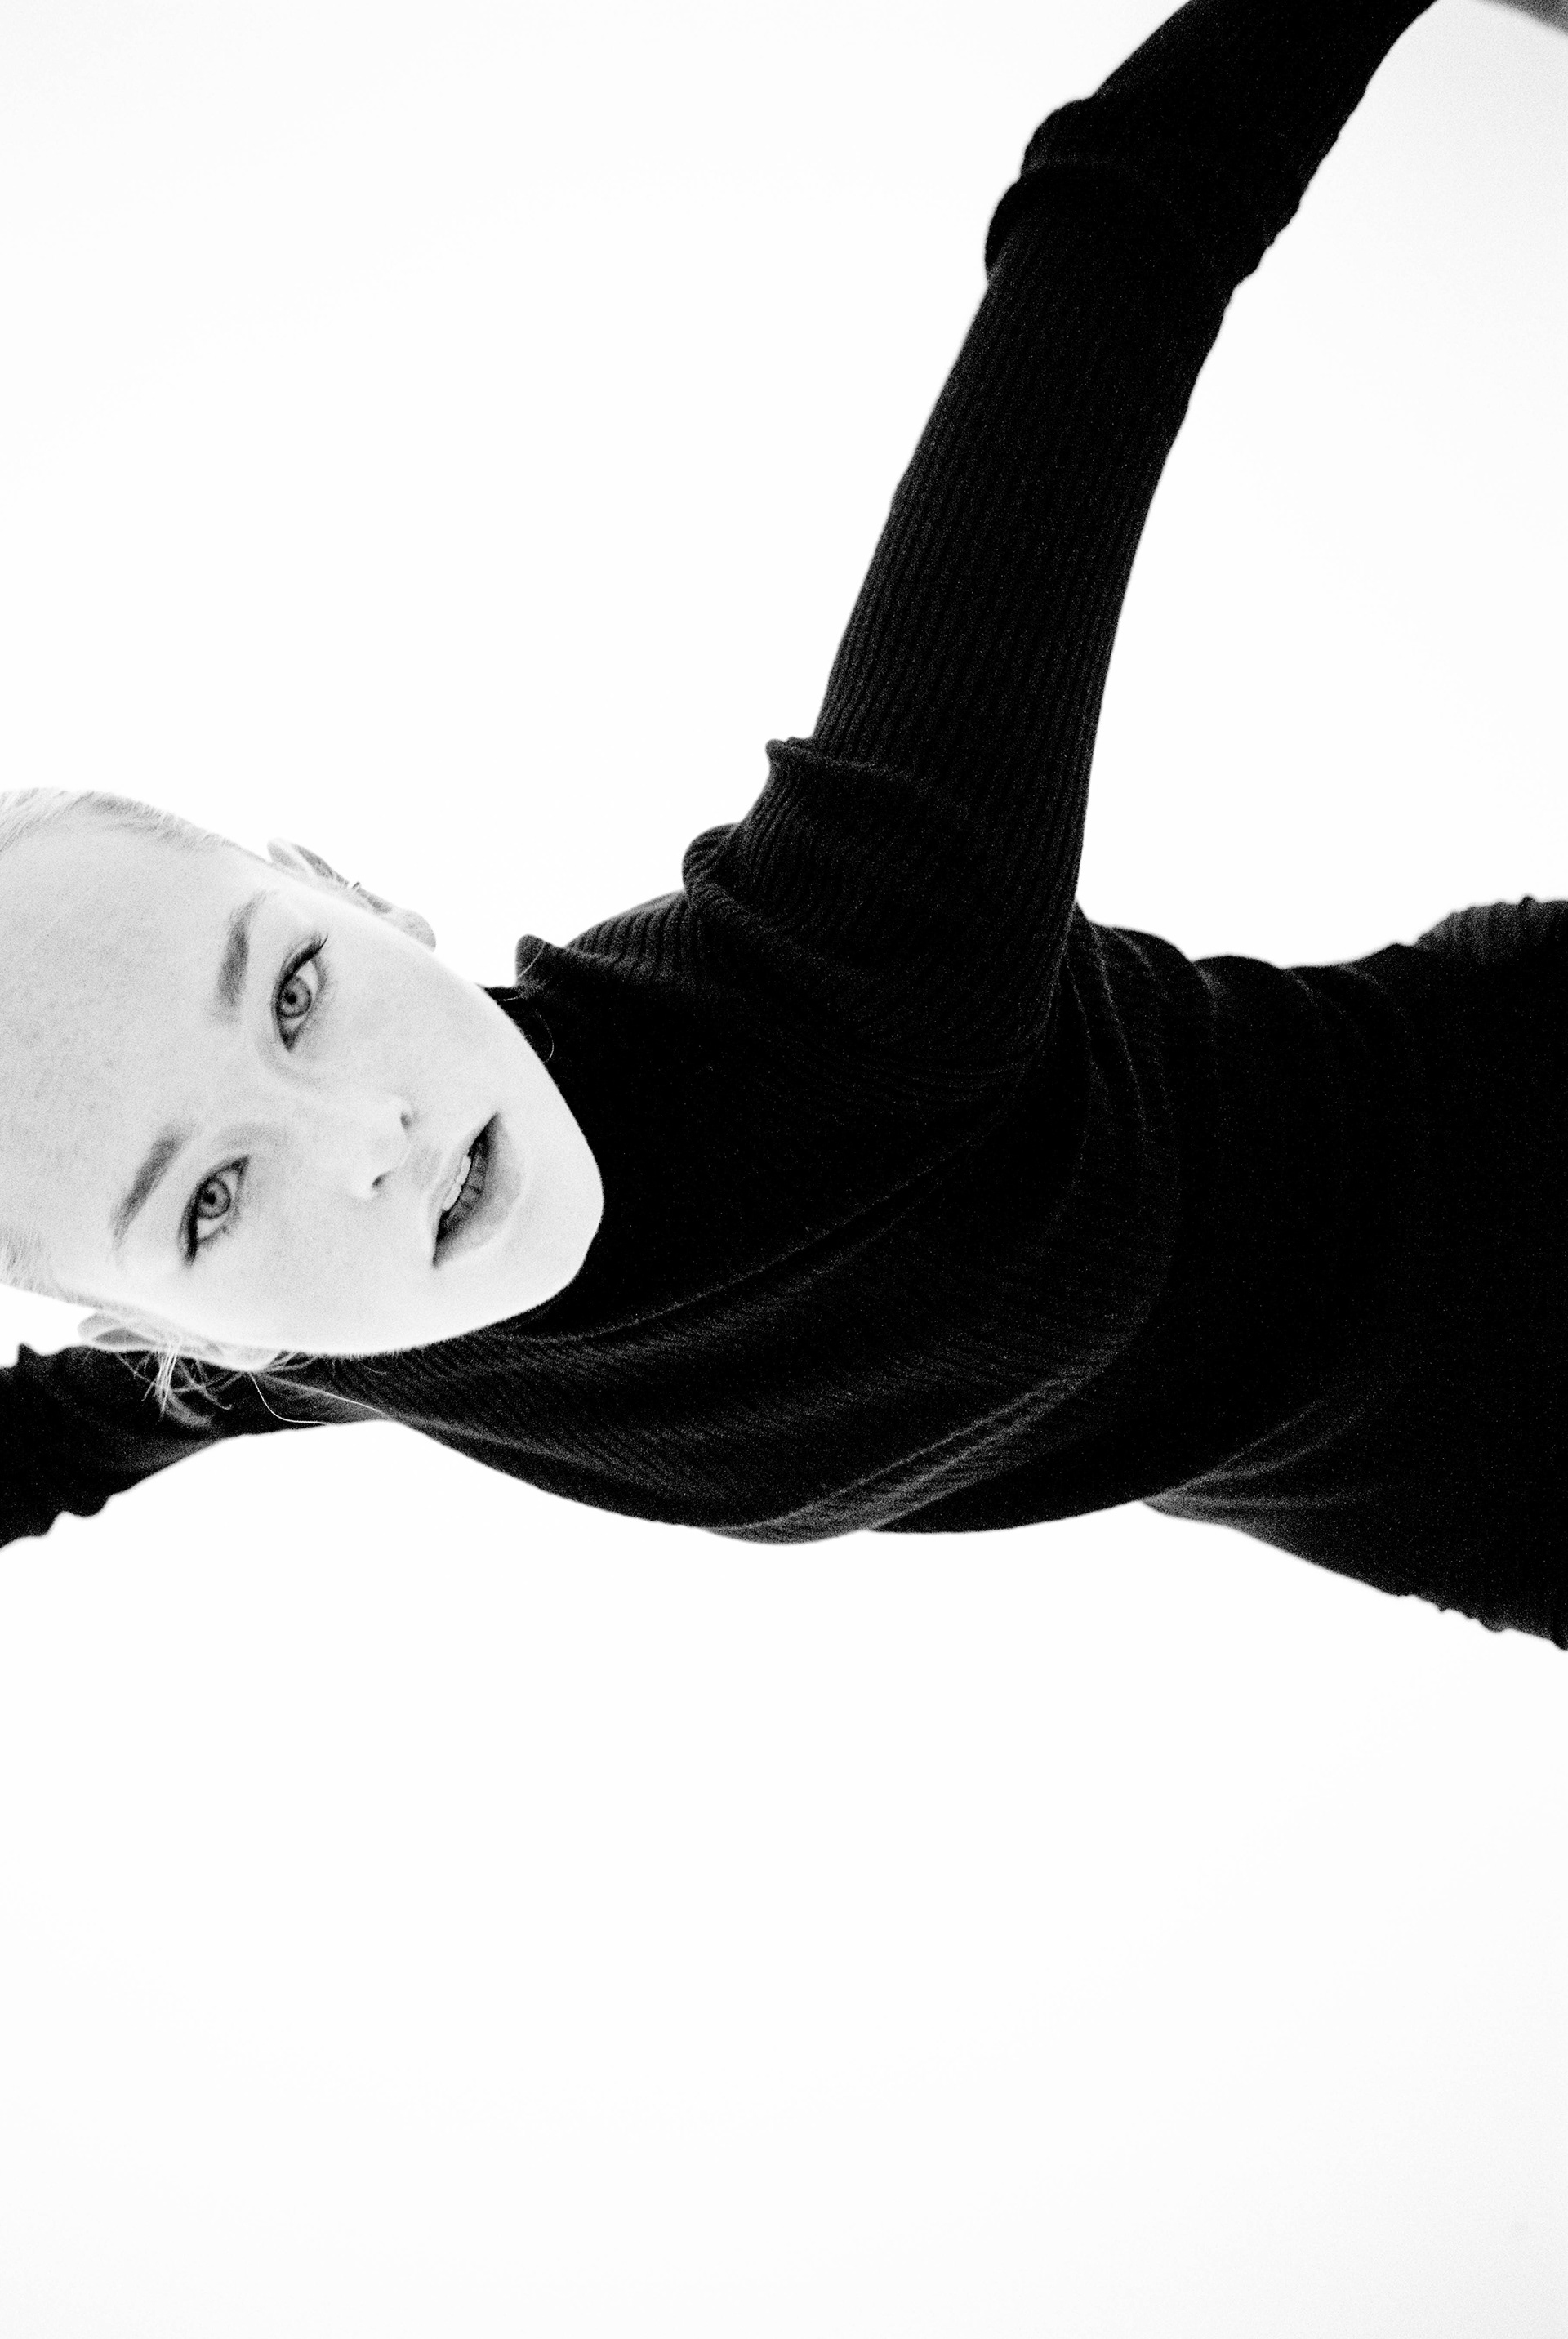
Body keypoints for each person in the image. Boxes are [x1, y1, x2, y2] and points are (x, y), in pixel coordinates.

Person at [2, 0, 1564, 1647]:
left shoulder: (862, 956)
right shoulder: (324, 1331)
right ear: (180, 1335)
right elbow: (42, 1442)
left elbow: (1118, 241)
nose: (365, 1141)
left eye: (295, 989)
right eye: (208, 1200)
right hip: (1445, 1508)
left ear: (358, 897)